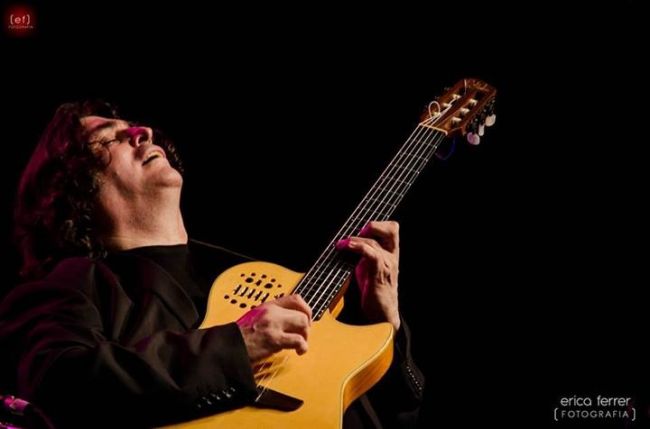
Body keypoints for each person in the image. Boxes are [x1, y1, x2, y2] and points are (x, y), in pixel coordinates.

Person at [0, 100, 424, 428]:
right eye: (109, 138)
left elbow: (388, 415)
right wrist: (236, 347)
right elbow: (63, 385)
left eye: (133, 126)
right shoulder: (71, 285)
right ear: (71, 186)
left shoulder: (262, 276)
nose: (142, 131)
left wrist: (384, 324)